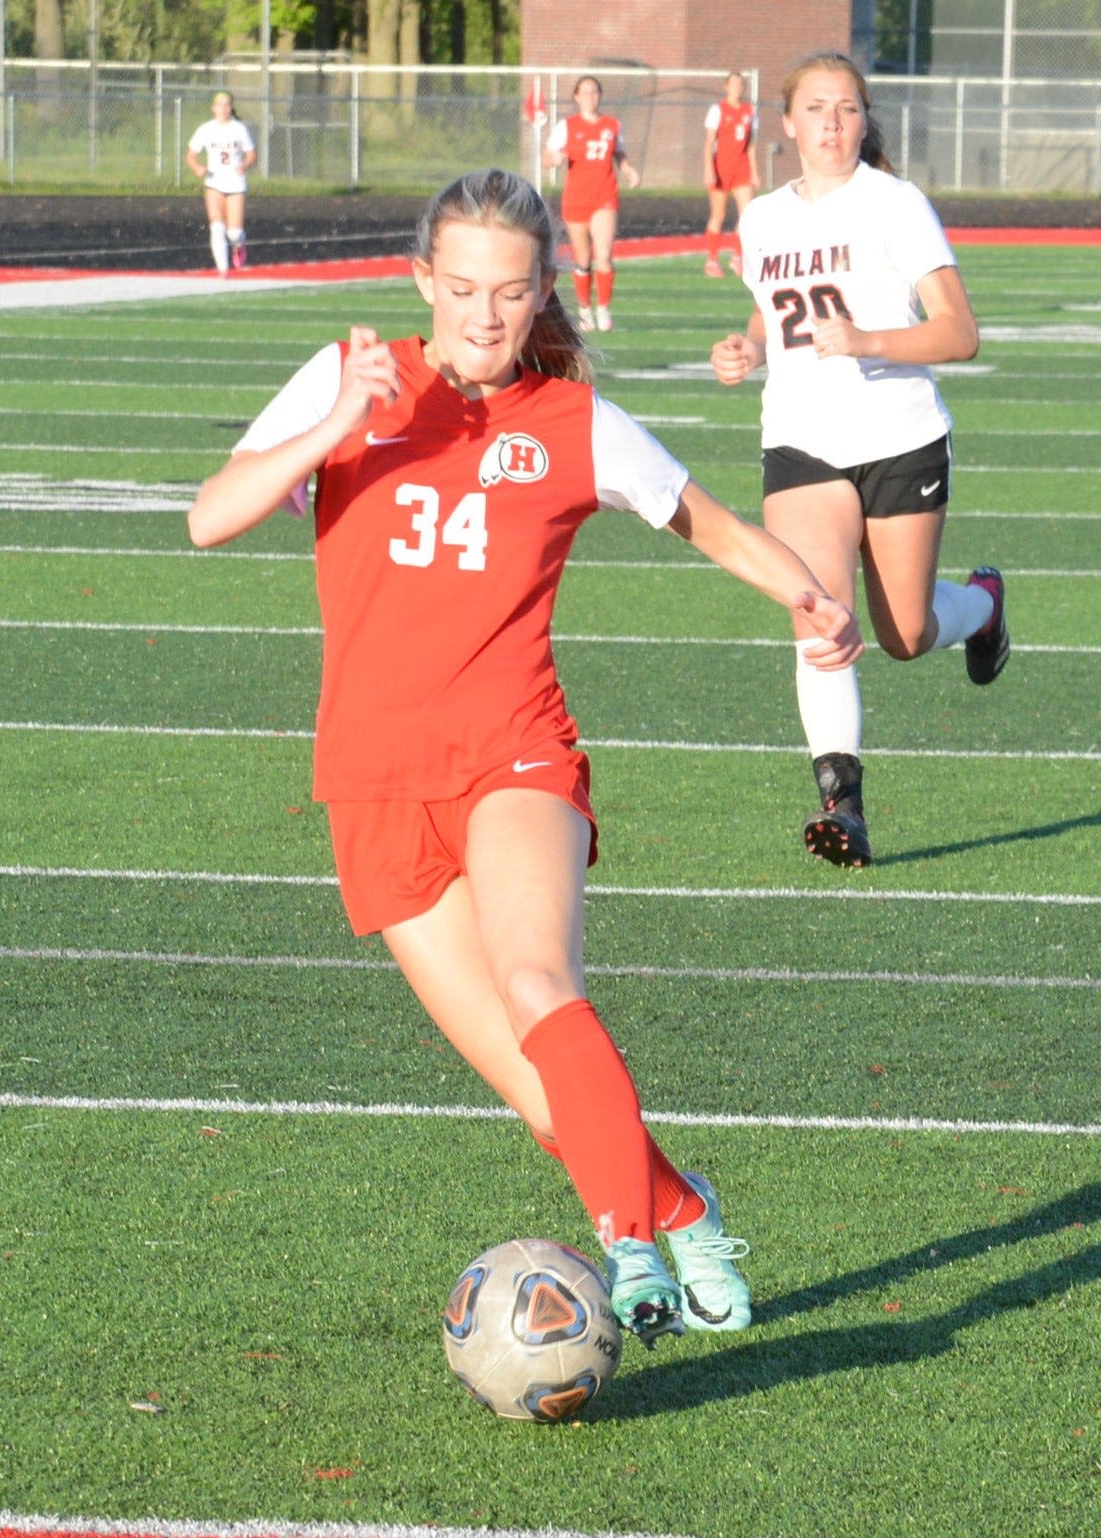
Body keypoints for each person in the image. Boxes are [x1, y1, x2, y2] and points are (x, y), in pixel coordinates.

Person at [184, 169, 858, 1341]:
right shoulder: (352, 379)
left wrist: (806, 593)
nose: (483, 316)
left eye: (508, 291)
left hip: (515, 753)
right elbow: (210, 515)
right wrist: (341, 422)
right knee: (540, 1092)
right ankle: (684, 1207)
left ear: (544, 288)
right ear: (420, 281)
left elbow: (701, 517)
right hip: (373, 783)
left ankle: (628, 1251)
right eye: (459, 290)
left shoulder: (571, 421)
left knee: (542, 982)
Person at [712, 53, 1008, 869]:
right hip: (801, 437)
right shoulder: (764, 217)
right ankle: (842, 800)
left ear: (863, 120)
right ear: (788, 123)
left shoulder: (896, 204)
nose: (832, 124)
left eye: (847, 109)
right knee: (817, 614)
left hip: (898, 435)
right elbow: (775, 312)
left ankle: (983, 607)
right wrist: (748, 344)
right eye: (816, 109)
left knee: (904, 634)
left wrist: (871, 341)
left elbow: (959, 331)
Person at [548, 76, 638, 332]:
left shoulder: (612, 125)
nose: (590, 97)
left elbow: (619, 153)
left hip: (604, 196)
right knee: (583, 257)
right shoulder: (567, 126)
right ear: (576, 97)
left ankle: (604, 309)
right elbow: (549, 154)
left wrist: (629, 170)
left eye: (595, 92)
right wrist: (553, 158)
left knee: (604, 255)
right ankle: (585, 308)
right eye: (585, 93)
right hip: (577, 198)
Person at [185, 92, 257, 278]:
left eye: (227, 105)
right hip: (214, 182)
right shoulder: (206, 129)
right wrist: (197, 168)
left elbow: (251, 154)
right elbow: (191, 155)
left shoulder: (239, 129)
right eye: (220, 105)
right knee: (217, 226)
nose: (223, 109)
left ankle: (239, 245)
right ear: (213, 108)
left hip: (235, 184)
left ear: (231, 108)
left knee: (233, 233)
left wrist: (245, 165)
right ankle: (223, 270)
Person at [702, 71, 761, 280]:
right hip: (721, 167)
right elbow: (709, 143)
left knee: (747, 216)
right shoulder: (717, 110)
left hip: (742, 168)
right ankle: (711, 260)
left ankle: (738, 257)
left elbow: (751, 145)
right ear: (726, 87)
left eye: (740, 84)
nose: (737, 87)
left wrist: (754, 171)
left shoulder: (750, 111)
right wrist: (709, 168)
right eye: (733, 84)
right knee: (719, 215)